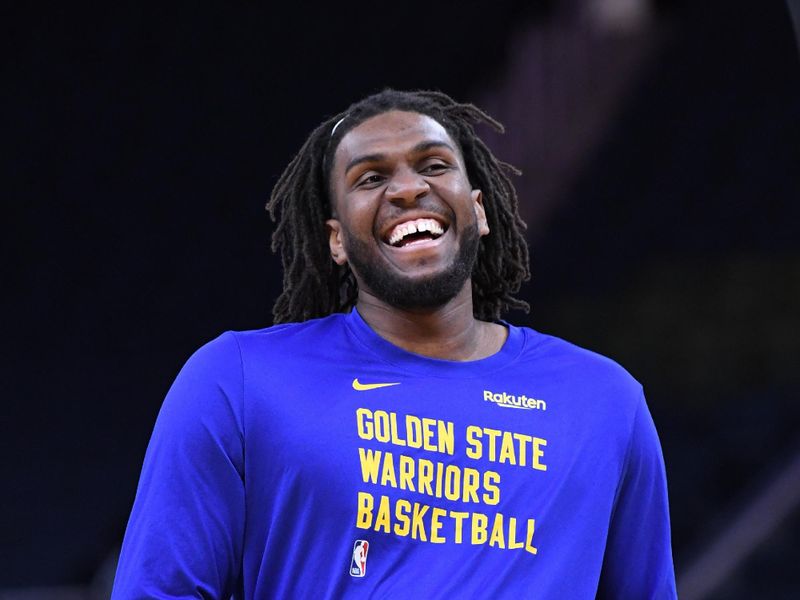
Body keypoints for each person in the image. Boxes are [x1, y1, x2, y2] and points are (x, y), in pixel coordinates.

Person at [111, 89, 677, 599]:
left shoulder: (606, 401)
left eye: (433, 165)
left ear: (477, 210)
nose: (408, 189)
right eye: (370, 178)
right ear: (336, 239)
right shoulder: (236, 379)